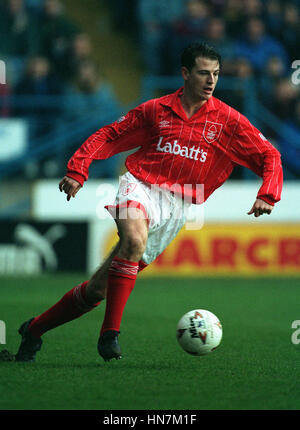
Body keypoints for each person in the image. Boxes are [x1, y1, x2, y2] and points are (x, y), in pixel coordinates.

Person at [1, 43, 283, 363]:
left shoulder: (228, 122)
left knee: (97, 290)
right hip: (140, 185)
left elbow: (269, 155)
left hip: (178, 207)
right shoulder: (156, 110)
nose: (211, 81)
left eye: (216, 74)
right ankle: (110, 334)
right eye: (203, 73)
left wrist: (267, 193)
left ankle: (34, 330)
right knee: (134, 240)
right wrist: (78, 169)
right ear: (185, 73)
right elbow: (109, 134)